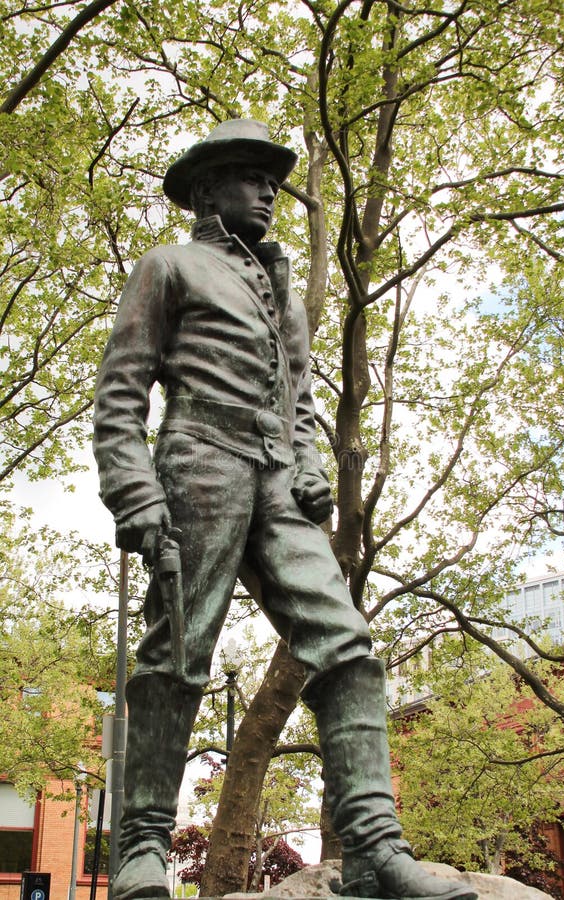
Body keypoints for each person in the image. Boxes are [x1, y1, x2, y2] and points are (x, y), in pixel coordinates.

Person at [93, 119, 476, 900]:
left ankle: (374, 848)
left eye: (274, 178)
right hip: (197, 459)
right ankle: (141, 849)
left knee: (348, 647)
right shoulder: (169, 267)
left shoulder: (282, 295)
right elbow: (120, 393)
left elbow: (299, 402)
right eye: (250, 175)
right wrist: (134, 491)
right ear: (207, 191)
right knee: (177, 654)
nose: (269, 190)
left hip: (274, 481)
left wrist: (308, 465)